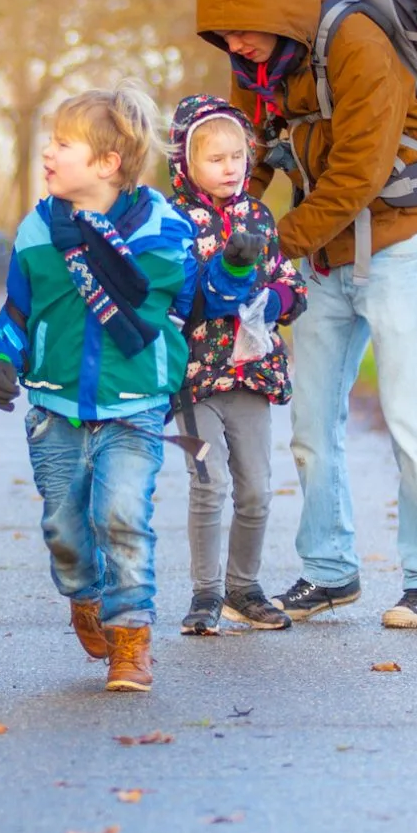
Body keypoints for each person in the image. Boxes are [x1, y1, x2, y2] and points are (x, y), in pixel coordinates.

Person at [194, 0, 417, 630]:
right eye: (222, 34)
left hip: (395, 244)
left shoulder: (357, 42)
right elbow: (243, 162)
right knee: (311, 426)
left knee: (408, 418)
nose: (235, 43)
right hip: (320, 261)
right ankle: (330, 571)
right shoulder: (254, 68)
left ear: (275, 8)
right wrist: (217, 229)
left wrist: (270, 245)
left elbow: (358, 175)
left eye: (242, 28)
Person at [0, 85, 261, 693]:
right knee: (64, 529)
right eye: (50, 142)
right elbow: (18, 312)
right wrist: (1, 358)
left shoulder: (164, 231)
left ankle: (131, 638)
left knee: (123, 517)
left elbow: (199, 305)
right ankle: (85, 597)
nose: (47, 154)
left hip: (134, 407)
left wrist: (234, 266)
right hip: (55, 406)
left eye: (62, 144)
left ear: (107, 163)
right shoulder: (38, 230)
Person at [166, 95, 308, 636]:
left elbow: (289, 282)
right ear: (185, 164)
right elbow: (179, 296)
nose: (231, 168)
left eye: (238, 157)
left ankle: (243, 588)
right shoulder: (174, 222)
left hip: (251, 375)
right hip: (195, 379)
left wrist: (277, 300)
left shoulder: (259, 216)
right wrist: (224, 281)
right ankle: (205, 594)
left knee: (255, 489)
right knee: (208, 482)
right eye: (215, 159)